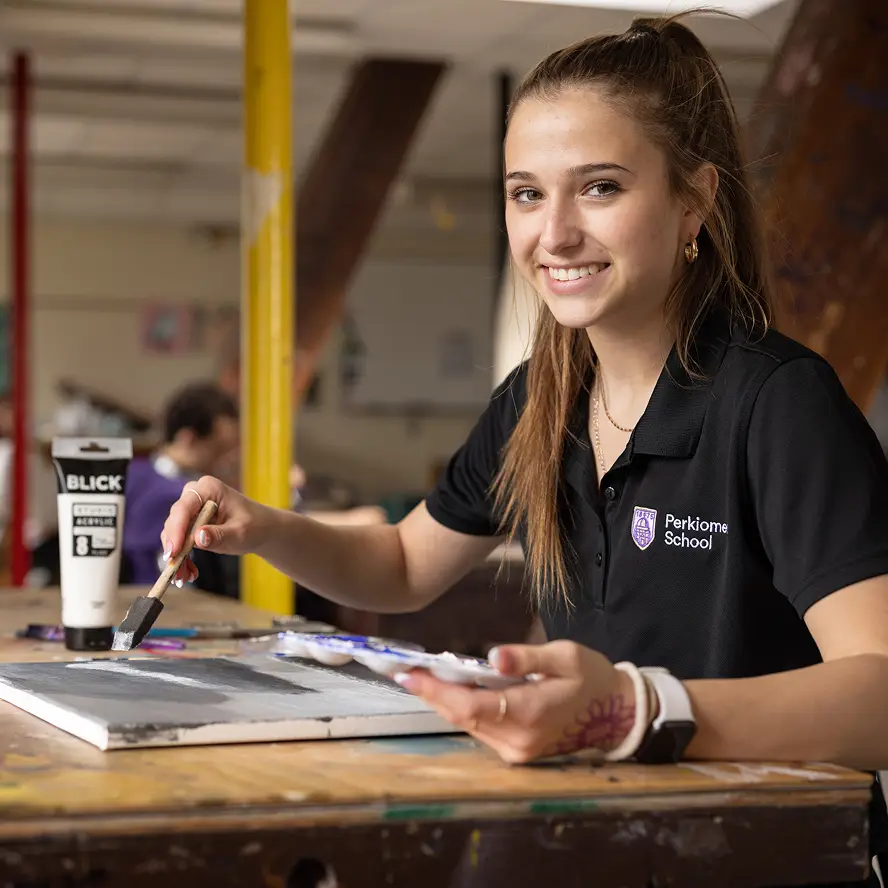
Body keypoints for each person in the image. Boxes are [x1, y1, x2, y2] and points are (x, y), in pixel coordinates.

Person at [161, 15, 888, 886]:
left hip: (763, 861)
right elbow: (401, 563)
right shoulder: (541, 398)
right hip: (595, 847)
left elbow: (880, 691)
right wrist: (263, 526)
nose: (555, 234)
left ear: (694, 199)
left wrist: (633, 709)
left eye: (602, 187)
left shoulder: (775, 401)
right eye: (526, 193)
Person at [123, 382, 240, 594]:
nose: (226, 462)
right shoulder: (181, 496)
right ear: (187, 439)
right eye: (218, 449)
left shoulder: (132, 472)